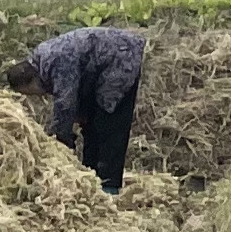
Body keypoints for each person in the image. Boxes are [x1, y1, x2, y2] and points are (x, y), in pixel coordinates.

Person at [22, 23, 147, 197]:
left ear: (31, 81)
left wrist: (61, 142)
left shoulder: (57, 61)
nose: (37, 96)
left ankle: (108, 185)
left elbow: (66, 102)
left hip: (121, 58)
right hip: (98, 66)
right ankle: (91, 174)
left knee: (110, 121)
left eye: (31, 92)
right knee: (90, 123)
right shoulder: (41, 61)